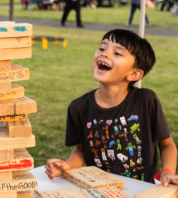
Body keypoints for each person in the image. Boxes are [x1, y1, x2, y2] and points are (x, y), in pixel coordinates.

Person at [45, 29, 178, 185]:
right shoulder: (78, 107)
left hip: (142, 192)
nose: (105, 53)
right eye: (102, 48)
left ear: (134, 74)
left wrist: (167, 172)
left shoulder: (146, 100)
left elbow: (167, 144)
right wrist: (67, 165)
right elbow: (81, 150)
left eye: (117, 53)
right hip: (100, 192)